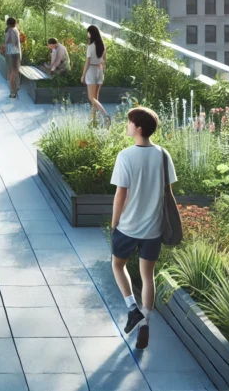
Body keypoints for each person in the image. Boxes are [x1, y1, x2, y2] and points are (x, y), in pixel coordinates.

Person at [110, 107, 177, 350]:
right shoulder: (162, 155)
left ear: (138, 128)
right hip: (153, 229)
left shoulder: (126, 156)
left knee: (118, 265)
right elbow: (168, 192)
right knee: (147, 276)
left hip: (128, 226)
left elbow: (121, 194)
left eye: (129, 123)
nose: (127, 126)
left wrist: (114, 222)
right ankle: (145, 322)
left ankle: (131, 308)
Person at [80, 25, 111, 126]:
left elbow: (87, 63)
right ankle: (94, 120)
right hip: (100, 69)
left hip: (92, 70)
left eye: (88, 32)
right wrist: (103, 72)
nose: (87, 34)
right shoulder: (103, 46)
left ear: (91, 34)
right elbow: (104, 61)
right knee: (95, 98)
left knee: (91, 97)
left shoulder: (90, 47)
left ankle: (105, 115)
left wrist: (83, 75)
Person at [3, 17, 22, 99]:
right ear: (15, 23)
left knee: (11, 72)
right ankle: (13, 91)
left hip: (9, 53)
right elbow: (15, 43)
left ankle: (14, 89)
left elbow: (7, 42)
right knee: (13, 73)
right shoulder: (13, 30)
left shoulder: (8, 30)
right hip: (14, 54)